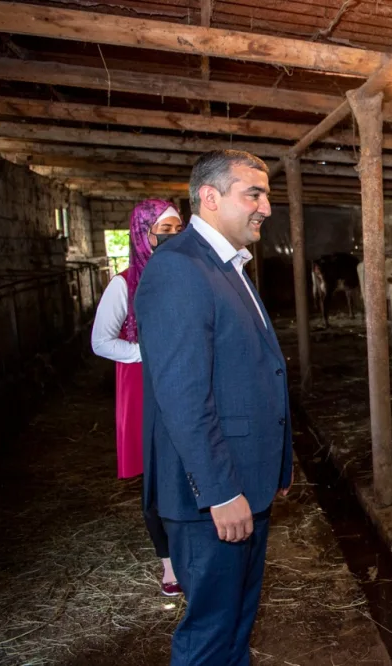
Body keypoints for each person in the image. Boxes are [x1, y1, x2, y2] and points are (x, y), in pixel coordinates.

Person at [135, 149, 292, 665]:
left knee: (235, 626)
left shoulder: (228, 265)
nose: (266, 207)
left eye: (265, 194)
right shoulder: (179, 268)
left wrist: (278, 461)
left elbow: (256, 368)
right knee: (210, 633)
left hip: (247, 480)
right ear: (209, 197)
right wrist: (221, 491)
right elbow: (182, 395)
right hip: (212, 496)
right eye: (254, 193)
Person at [91, 199, 184, 596]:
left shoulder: (184, 277)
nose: (174, 236)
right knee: (155, 477)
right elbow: (100, 341)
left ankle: (191, 546)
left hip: (180, 379)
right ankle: (168, 563)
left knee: (185, 463)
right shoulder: (124, 283)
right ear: (143, 234)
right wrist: (144, 352)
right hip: (142, 384)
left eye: (179, 227)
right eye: (165, 230)